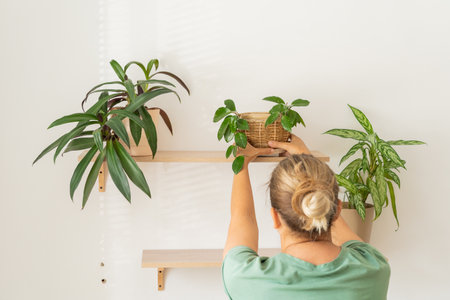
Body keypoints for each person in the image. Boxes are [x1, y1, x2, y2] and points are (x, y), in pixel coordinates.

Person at [222, 135, 390, 300]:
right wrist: (306, 159)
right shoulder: (374, 268)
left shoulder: (243, 277)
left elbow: (242, 217)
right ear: (337, 210)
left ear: (275, 217)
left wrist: (241, 163)